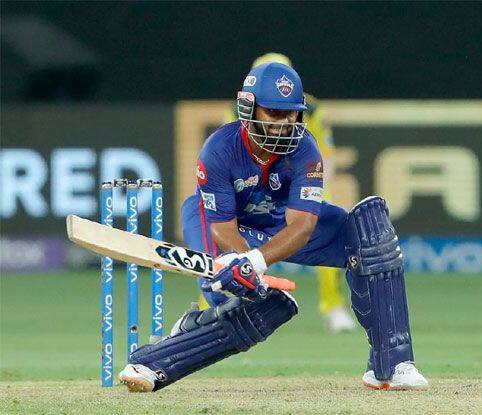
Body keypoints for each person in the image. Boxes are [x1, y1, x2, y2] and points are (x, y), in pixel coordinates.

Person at [117, 62, 428, 392]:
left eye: (291, 114)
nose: (284, 123)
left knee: (370, 234)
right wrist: (241, 265)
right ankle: (162, 355)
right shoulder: (219, 149)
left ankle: (391, 365)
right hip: (225, 227)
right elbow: (222, 226)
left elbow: (303, 225)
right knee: (245, 294)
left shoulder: (306, 149)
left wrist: (255, 262)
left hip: (280, 224)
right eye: (274, 113)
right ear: (249, 110)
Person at [199, 52, 356, 333]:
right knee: (221, 243)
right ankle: (207, 308)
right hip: (252, 183)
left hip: (298, 176)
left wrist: (315, 187)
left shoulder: (310, 108)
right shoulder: (235, 113)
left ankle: (333, 306)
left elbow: (324, 151)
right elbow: (232, 156)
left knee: (326, 228)